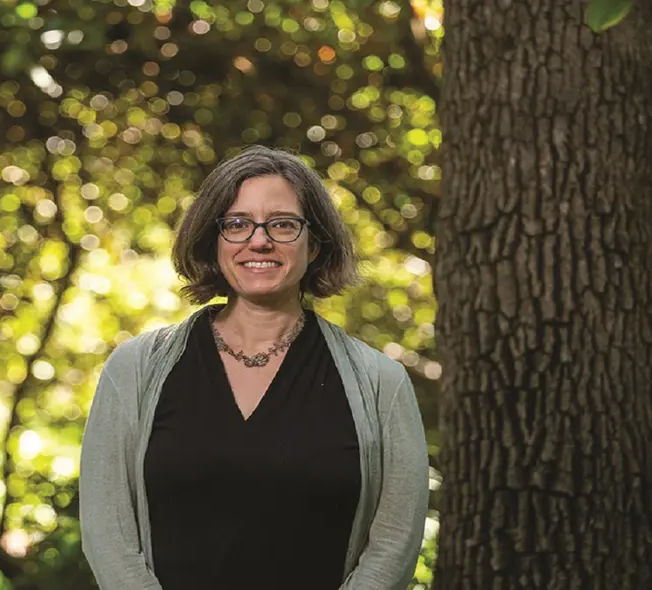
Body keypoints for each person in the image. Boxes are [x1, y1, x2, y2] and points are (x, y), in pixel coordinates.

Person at [79, 145, 428, 589]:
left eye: (282, 224)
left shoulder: (380, 383)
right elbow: (107, 534)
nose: (258, 240)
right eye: (238, 224)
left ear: (315, 244)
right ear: (214, 239)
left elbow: (395, 540)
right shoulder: (135, 370)